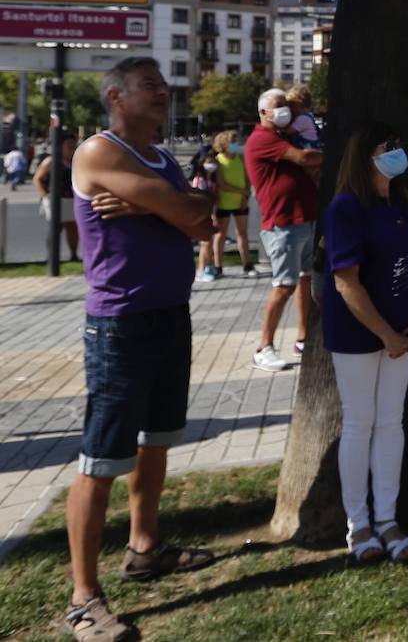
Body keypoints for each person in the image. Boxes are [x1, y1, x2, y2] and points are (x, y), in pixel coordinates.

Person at [65, 57, 216, 642]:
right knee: (102, 457)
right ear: (115, 97)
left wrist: (158, 204)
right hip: (120, 324)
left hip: (169, 315)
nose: (163, 91)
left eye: (162, 83)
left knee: (156, 441)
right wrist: (171, 207)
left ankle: (144, 547)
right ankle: (83, 598)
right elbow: (187, 211)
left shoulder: (161, 158)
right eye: (148, 84)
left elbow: (206, 222)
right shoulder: (99, 153)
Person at [321, 122, 408, 564]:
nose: (397, 153)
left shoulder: (407, 201)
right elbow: (346, 283)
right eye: (389, 147)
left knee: (391, 423)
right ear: (366, 156)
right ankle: (358, 524)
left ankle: (388, 519)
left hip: (403, 332)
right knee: (360, 423)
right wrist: (386, 334)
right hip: (357, 335)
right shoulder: (346, 208)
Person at [245, 88, 323, 369]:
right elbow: (304, 159)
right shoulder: (262, 139)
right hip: (283, 223)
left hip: (303, 218)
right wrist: (327, 154)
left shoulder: (282, 135)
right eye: (278, 107)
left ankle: (303, 337)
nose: (284, 111)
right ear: (263, 112)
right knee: (284, 286)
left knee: (304, 280)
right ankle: (263, 346)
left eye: (286, 107)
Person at [210, 130, 259, 278]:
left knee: (242, 233)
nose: (236, 145)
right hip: (223, 202)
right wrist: (241, 191)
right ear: (224, 144)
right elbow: (221, 183)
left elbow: (247, 178)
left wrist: (246, 194)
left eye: (237, 141)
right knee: (221, 234)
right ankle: (218, 266)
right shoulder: (218, 160)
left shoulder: (240, 158)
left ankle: (247, 265)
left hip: (241, 202)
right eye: (233, 142)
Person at [34, 133, 80, 262]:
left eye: (73, 143)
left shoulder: (74, 161)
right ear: (61, 145)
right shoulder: (51, 161)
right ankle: (51, 257)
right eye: (68, 144)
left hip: (71, 198)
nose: (72, 146)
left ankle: (73, 255)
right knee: (56, 227)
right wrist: (44, 196)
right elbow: (37, 179)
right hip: (54, 198)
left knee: (72, 228)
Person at [190, 155, 220, 281]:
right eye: (208, 162)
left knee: (209, 242)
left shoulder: (212, 181)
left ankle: (208, 266)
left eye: (213, 162)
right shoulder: (199, 180)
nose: (211, 165)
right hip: (202, 214)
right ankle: (201, 270)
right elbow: (199, 200)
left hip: (210, 213)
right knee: (205, 243)